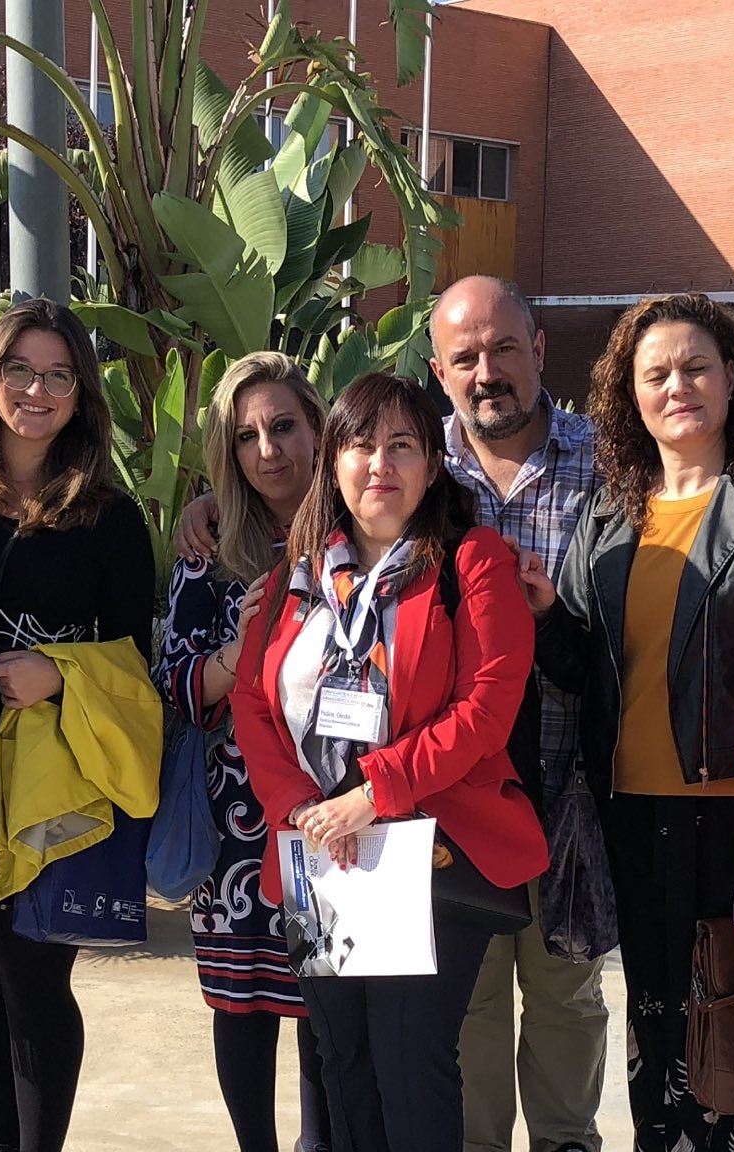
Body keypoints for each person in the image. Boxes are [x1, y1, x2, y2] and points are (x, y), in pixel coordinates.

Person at [174, 275, 734, 1152]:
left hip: (572, 799)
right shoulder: (391, 477)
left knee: (565, 1021)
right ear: (439, 370)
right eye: (465, 356)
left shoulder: (612, 460)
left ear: (540, 350)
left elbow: (700, 485)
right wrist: (214, 504)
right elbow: (268, 666)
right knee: (424, 1048)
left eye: (505, 348)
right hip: (391, 835)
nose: (488, 371)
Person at [520, 294, 734, 1152]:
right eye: (654, 373)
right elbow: (580, 669)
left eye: (696, 366)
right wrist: (548, 613)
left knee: (733, 1017)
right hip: (632, 808)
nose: (678, 386)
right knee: (655, 1020)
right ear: (630, 393)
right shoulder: (611, 512)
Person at [230, 372, 549, 1152]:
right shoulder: (297, 576)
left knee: (412, 1064)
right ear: (333, 462)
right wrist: (300, 811)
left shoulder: (471, 562)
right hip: (318, 854)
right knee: (343, 1059)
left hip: (428, 851)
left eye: (402, 446)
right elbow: (251, 701)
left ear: (432, 465)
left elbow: (486, 706)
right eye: (362, 445)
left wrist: (372, 794)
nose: (381, 464)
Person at [0, 298, 156, 1152]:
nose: (37, 389)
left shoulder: (110, 518)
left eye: (59, 374)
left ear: (81, 394)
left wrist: (56, 675)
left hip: (54, 782)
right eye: (20, 369)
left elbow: (134, 668)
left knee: (33, 979)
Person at [155, 352, 333, 1152]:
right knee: (243, 1005)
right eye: (247, 437)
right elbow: (176, 684)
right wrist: (235, 651)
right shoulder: (210, 544)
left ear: (320, 427)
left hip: (334, 810)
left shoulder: (365, 523)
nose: (268, 451)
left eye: (284, 427)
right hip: (236, 822)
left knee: (328, 1005)